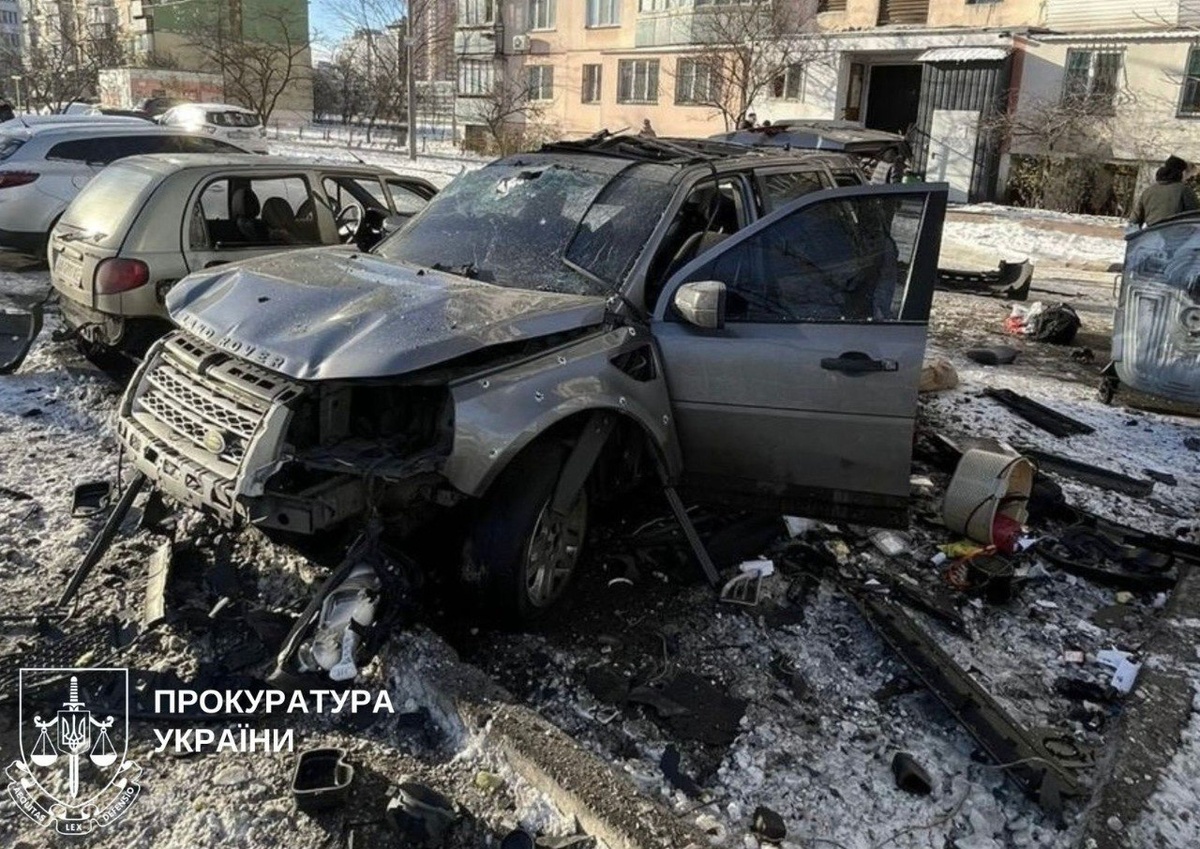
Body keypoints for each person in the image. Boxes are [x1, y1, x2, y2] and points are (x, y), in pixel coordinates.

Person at [1130, 155, 1199, 228]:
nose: (1187, 178)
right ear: (1182, 173)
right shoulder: (1184, 190)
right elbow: (1194, 216)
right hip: (1176, 232)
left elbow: (1134, 220)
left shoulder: (1148, 191)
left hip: (1153, 232)